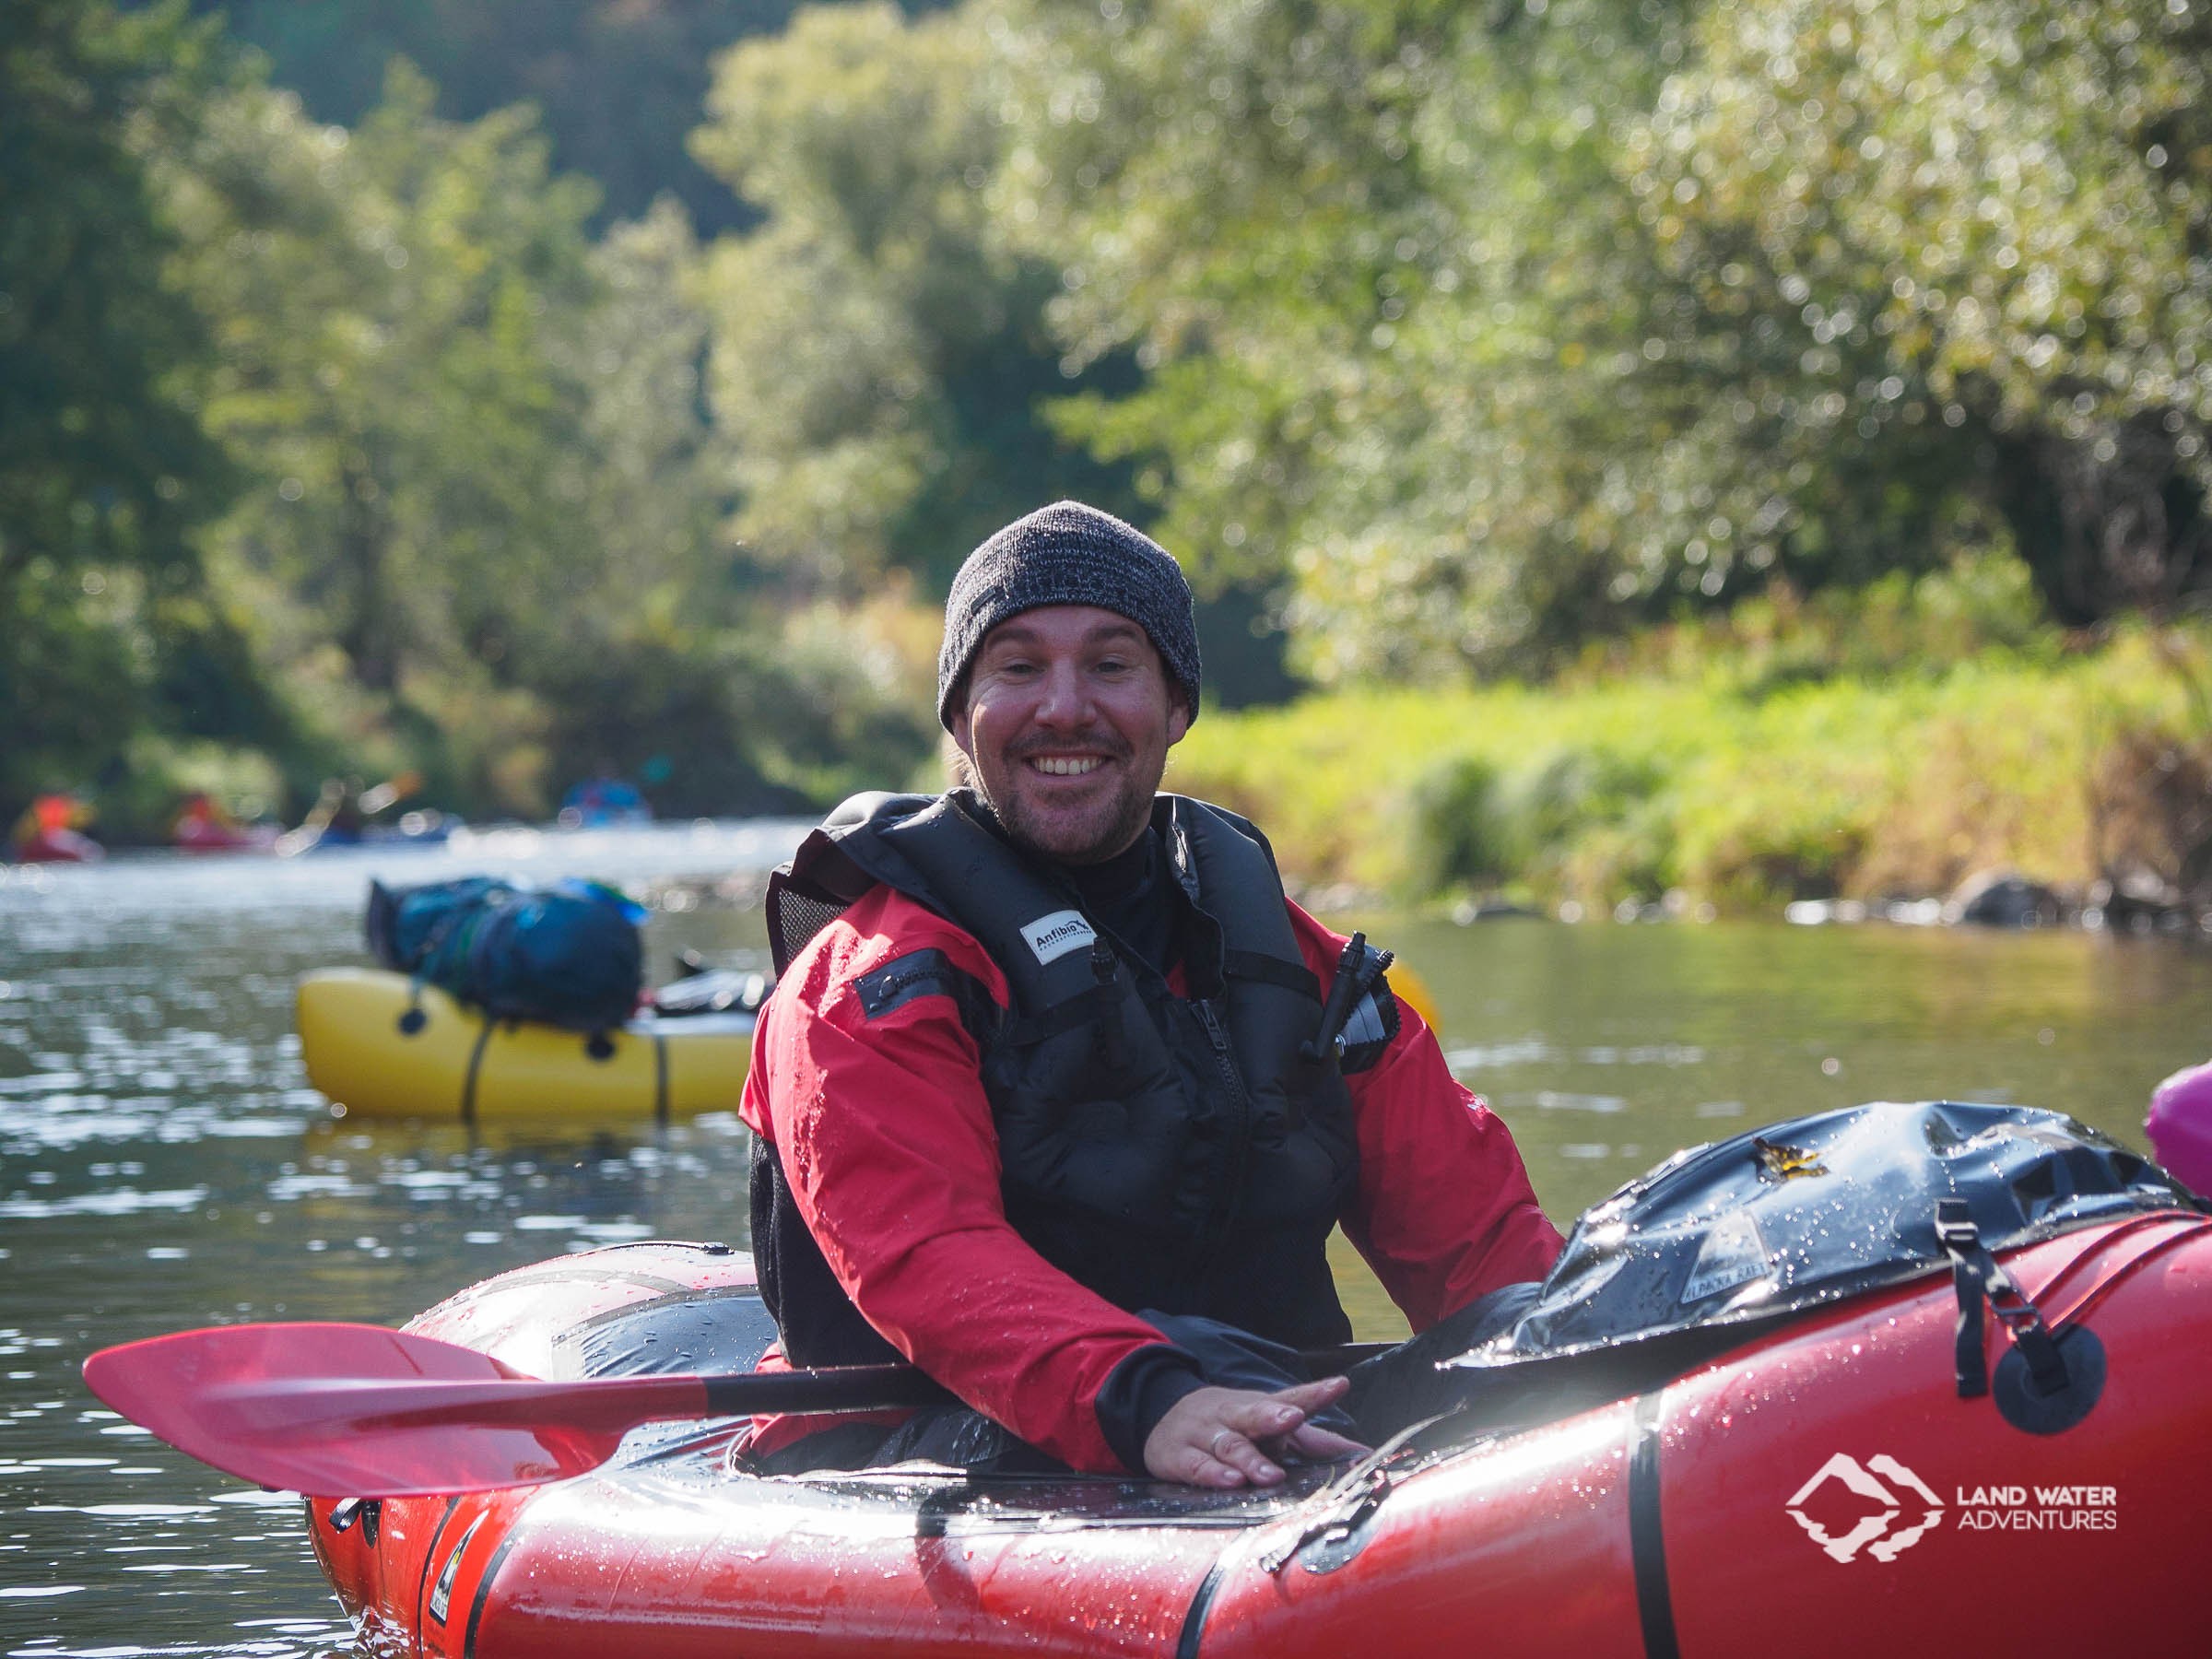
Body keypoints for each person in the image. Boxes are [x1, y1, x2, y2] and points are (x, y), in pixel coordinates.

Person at [735, 501, 1563, 1488]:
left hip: (1257, 1425)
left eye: (1113, 664)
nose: (1065, 708)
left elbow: (1482, 1245)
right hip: (908, 1458)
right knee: (1207, 1378)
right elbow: (926, 1256)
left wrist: (1583, 1358)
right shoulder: (866, 984)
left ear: (1177, 708)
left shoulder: (1303, 973)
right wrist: (1145, 1400)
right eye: (1018, 666)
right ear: (961, 714)